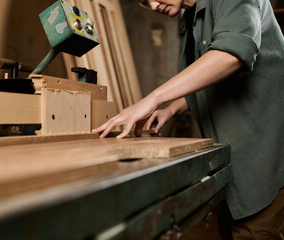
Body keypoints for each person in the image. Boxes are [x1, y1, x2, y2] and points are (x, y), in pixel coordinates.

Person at [92, 0, 284, 238]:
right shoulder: (189, 18)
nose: (152, 5)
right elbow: (210, 77)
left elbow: (231, 54)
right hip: (235, 161)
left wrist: (153, 99)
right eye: (144, 1)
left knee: (255, 231)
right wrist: (171, 109)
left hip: (267, 156)